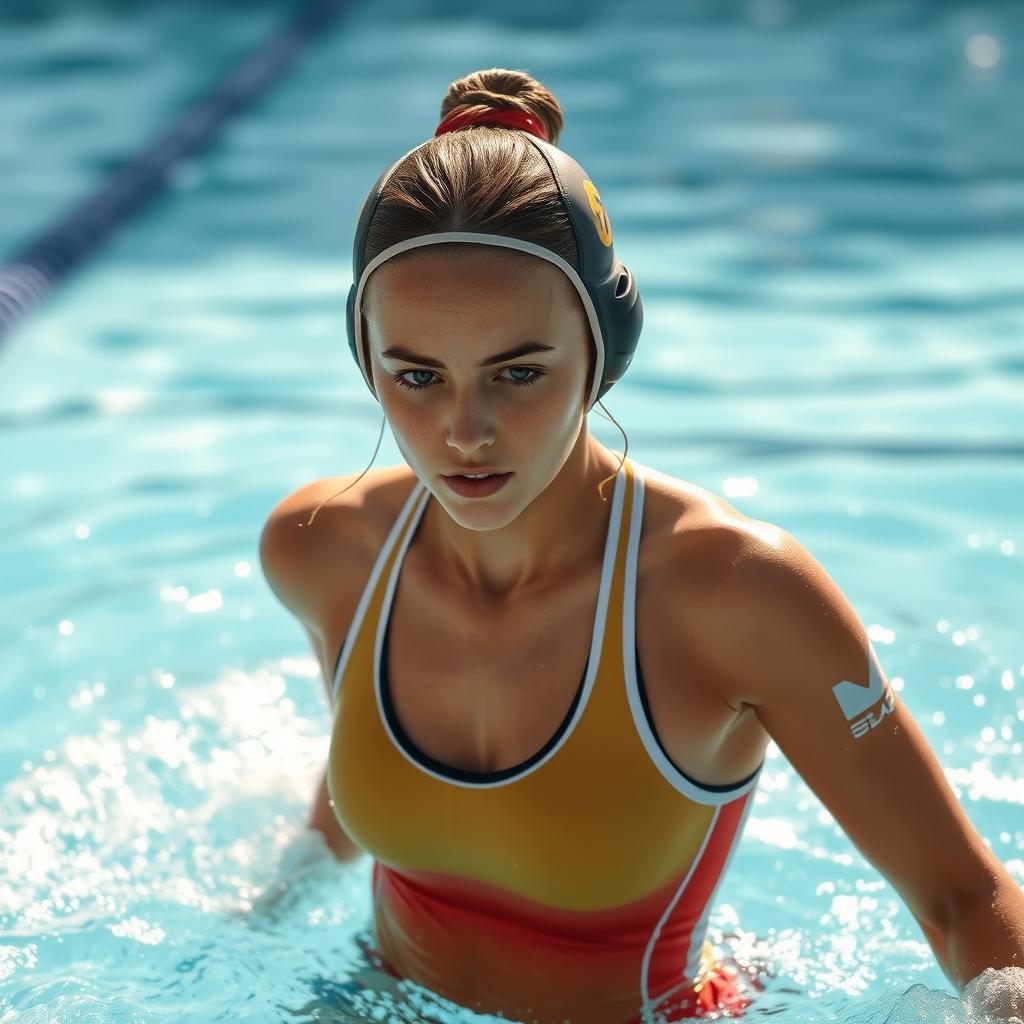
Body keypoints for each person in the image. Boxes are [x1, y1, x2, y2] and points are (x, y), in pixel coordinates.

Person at [259, 68, 1023, 1024]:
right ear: (362, 358)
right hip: (369, 1002)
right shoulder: (324, 549)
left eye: (519, 373)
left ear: (603, 351)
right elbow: (359, 793)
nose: (464, 431)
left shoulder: (737, 595)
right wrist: (266, 908)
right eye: (416, 375)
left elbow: (962, 901)